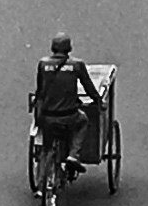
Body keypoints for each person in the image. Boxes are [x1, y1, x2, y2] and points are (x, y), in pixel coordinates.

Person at [29, 33, 100, 177]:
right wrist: (98, 101)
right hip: (70, 115)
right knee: (83, 121)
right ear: (69, 48)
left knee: (46, 148)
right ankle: (73, 155)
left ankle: (41, 183)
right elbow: (89, 88)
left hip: (47, 117)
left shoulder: (43, 64)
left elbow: (40, 90)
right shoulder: (76, 65)